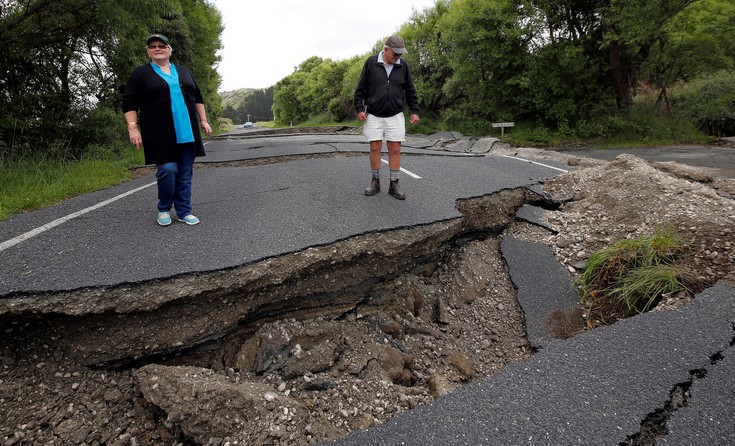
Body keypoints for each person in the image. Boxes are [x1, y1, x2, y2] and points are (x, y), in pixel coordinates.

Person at [122, 34, 213, 226]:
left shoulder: (183, 70)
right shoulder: (141, 74)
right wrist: (133, 128)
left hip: (187, 131)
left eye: (162, 45)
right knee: (168, 169)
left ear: (169, 49)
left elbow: (198, 97)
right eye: (152, 46)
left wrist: (203, 120)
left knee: (185, 173)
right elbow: (129, 102)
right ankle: (164, 208)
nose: (157, 48)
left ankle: (184, 210)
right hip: (158, 133)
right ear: (148, 51)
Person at [354, 35, 420, 200]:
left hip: (395, 114)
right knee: (375, 147)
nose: (398, 57)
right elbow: (360, 87)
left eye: (400, 54)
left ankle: (394, 183)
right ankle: (375, 181)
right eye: (395, 53)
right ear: (386, 49)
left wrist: (414, 110)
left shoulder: (403, 66)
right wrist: (359, 108)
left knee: (395, 148)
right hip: (374, 114)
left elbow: (410, 90)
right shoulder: (371, 63)